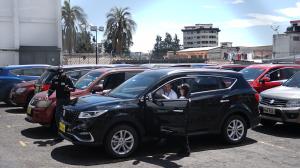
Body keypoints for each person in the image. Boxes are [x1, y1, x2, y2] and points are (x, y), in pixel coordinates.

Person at [48, 67, 75, 143]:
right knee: (58, 117)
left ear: (63, 72)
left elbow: (73, 88)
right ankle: (60, 133)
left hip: (66, 101)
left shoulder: (68, 79)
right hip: (59, 101)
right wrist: (48, 95)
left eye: (61, 73)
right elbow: (51, 89)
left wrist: (68, 89)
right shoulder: (55, 80)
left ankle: (66, 133)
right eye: (58, 74)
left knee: (65, 118)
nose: (60, 75)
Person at [177, 83, 191, 157]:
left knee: (182, 136)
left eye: (181, 89)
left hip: (182, 120)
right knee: (184, 136)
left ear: (184, 90)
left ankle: (186, 150)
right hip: (186, 119)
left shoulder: (182, 98)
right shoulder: (188, 98)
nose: (180, 90)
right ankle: (184, 150)